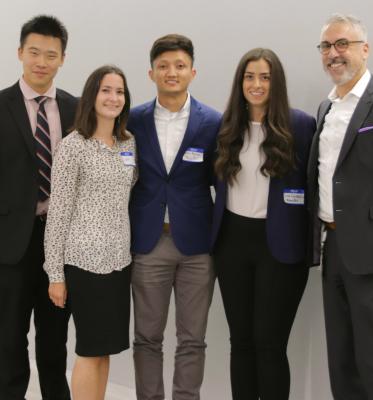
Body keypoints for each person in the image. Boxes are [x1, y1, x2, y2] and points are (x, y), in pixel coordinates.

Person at [211, 48, 315, 400]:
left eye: (265, 77)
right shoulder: (226, 126)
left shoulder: (300, 125)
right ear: (240, 82)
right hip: (232, 243)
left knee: (270, 344)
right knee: (240, 341)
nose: (257, 85)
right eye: (250, 77)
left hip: (280, 245)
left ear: (277, 83)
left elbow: (314, 191)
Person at [308, 13, 373, 400]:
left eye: (342, 44)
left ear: (365, 49)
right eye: (327, 46)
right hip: (334, 251)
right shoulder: (325, 109)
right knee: (341, 357)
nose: (334, 53)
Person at [127, 34, 221, 400]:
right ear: (151, 73)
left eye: (179, 66)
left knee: (193, 339)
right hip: (149, 243)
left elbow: (223, 181)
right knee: (147, 338)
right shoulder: (131, 120)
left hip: (197, 247)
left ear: (192, 72)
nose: (171, 72)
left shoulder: (213, 121)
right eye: (163, 66)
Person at [43, 65, 138, 400]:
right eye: (106, 90)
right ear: (92, 96)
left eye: (120, 91)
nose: (113, 97)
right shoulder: (73, 146)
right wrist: (55, 273)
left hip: (119, 262)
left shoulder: (128, 143)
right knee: (88, 348)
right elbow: (58, 212)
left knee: (105, 349)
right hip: (84, 262)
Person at [0, 15, 77, 400]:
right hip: (11, 244)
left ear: (63, 58)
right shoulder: (1, 105)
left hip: (60, 243)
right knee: (9, 341)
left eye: (51, 54)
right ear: (20, 53)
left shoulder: (77, 109)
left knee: (54, 341)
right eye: (34, 52)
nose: (42, 61)